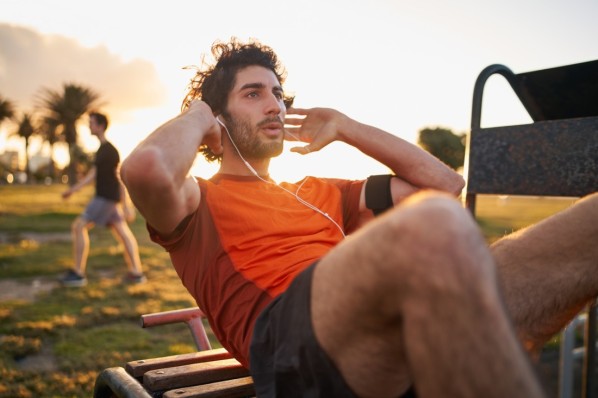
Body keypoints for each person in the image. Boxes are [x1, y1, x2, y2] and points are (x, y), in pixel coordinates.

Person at [120, 38, 598, 398]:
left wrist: (348, 127)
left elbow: (445, 186)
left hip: (393, 316)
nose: (275, 104)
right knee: (433, 224)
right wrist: (201, 113)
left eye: (278, 92)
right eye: (253, 94)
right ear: (217, 120)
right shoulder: (196, 202)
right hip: (288, 343)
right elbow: (146, 170)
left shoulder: (318, 191)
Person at [61, 112, 146, 287]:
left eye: (91, 123)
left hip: (106, 198)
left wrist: (126, 205)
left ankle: (78, 274)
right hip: (108, 199)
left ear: (100, 125)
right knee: (123, 234)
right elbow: (94, 174)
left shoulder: (110, 151)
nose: (89, 126)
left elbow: (119, 177)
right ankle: (137, 273)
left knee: (78, 226)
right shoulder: (102, 150)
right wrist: (73, 190)